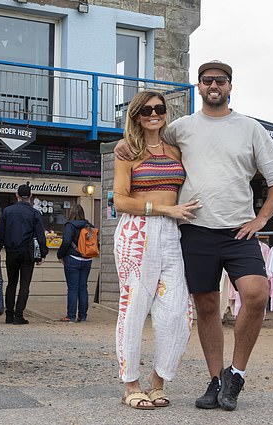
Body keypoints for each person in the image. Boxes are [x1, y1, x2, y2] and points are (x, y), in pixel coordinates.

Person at [114, 61, 273, 411]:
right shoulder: (181, 129)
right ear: (198, 86)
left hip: (238, 230)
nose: (214, 85)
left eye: (220, 81)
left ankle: (236, 373)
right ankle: (215, 381)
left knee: (256, 294)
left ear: (229, 86)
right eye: (207, 80)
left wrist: (262, 219)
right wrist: (123, 143)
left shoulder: (250, 128)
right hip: (194, 233)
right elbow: (144, 138)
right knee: (206, 305)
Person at [113, 90, 202, 410]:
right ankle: (130, 384)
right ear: (137, 115)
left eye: (160, 109)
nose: (154, 114)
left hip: (172, 234)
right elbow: (120, 200)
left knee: (178, 310)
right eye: (147, 110)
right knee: (134, 307)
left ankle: (158, 380)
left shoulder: (175, 152)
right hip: (137, 231)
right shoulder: (127, 151)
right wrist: (165, 210)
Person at [0, 183, 48, 325]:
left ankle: (9, 315)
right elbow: (40, 235)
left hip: (11, 251)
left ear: (16, 195)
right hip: (27, 252)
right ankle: (19, 315)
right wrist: (43, 253)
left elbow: (1, 233)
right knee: (25, 285)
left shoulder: (7, 211)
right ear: (30, 196)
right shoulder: (34, 213)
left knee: (11, 283)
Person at [56, 204, 94, 323]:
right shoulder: (89, 226)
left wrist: (60, 255)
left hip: (72, 259)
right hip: (87, 259)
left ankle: (71, 316)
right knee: (83, 288)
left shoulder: (70, 225)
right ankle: (82, 316)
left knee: (72, 288)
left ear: (71, 213)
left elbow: (66, 241)